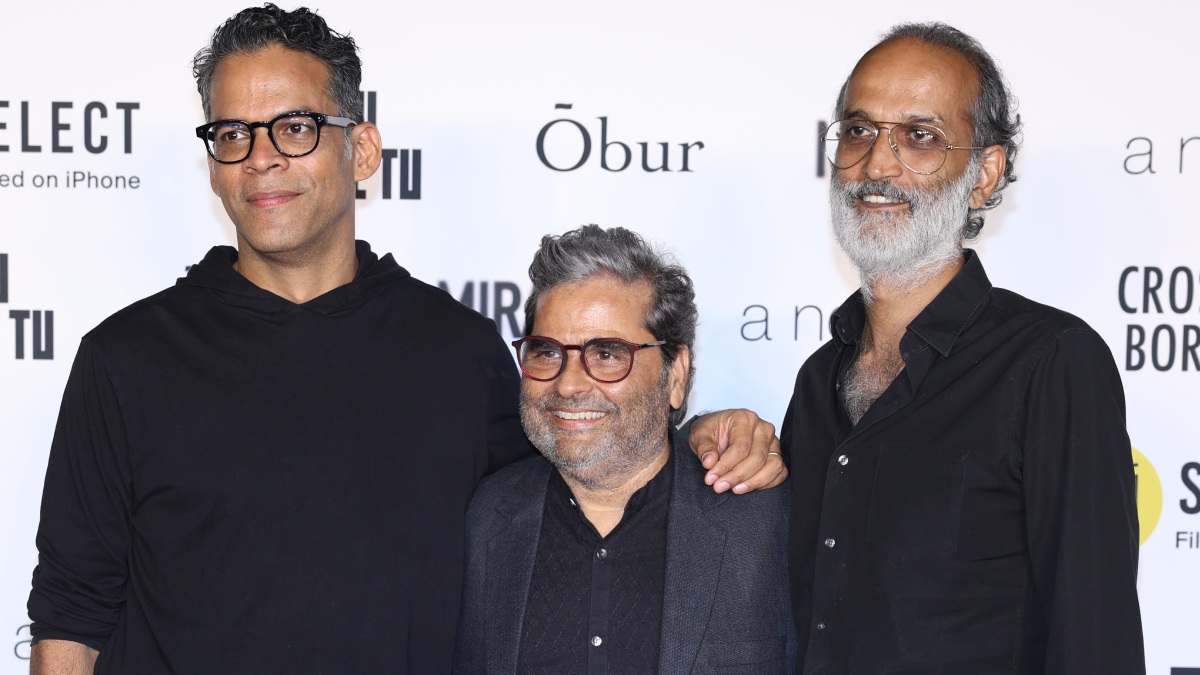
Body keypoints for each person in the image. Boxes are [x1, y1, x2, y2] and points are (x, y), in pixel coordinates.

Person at [25, 6, 781, 674]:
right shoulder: (126, 360)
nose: (261, 157)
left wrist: (700, 433)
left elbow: (579, 473)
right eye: (232, 134)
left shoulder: (459, 352)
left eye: (295, 127)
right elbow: (70, 613)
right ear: (214, 166)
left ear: (361, 150)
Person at [780, 22, 1144, 673]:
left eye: (920, 136)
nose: (877, 165)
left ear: (984, 173)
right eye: (859, 130)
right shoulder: (818, 378)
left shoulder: (1051, 363)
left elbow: (1097, 637)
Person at [454, 225, 795, 674]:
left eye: (607, 354)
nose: (568, 384)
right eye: (547, 352)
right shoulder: (483, 519)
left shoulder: (764, 521)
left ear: (675, 375)